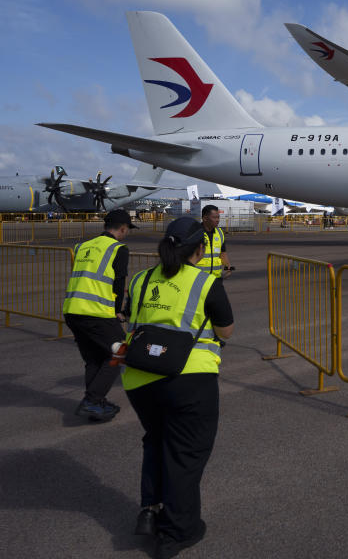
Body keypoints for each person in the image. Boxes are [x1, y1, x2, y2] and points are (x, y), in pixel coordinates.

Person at [122, 217, 234, 558]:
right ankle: (176, 532)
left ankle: (150, 509)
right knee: (185, 454)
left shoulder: (141, 279)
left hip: (139, 378)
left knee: (157, 440)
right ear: (200, 249)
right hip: (188, 380)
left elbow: (130, 318)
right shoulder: (206, 282)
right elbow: (226, 331)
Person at [62, 209, 136, 421]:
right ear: (122, 228)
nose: (127, 234)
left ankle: (95, 402)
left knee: (95, 358)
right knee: (119, 352)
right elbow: (119, 281)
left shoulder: (82, 246)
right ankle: (92, 401)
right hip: (95, 312)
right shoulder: (118, 248)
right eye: (127, 230)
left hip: (72, 310)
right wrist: (117, 312)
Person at [198, 204, 233, 279]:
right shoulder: (195, 233)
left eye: (218, 217)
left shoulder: (220, 233)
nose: (217, 220)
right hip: (198, 278)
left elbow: (222, 253)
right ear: (205, 218)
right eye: (214, 217)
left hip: (216, 278)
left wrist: (228, 267)